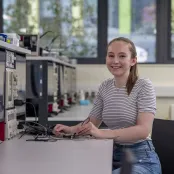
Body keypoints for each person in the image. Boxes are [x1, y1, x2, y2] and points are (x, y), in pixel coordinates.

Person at [53, 37, 162, 174]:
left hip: (141, 158)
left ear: (133, 61)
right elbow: (92, 122)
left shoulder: (144, 86)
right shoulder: (105, 87)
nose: (115, 61)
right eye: (111, 56)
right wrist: (70, 130)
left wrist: (102, 133)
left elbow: (143, 130)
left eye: (122, 56)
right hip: (111, 155)